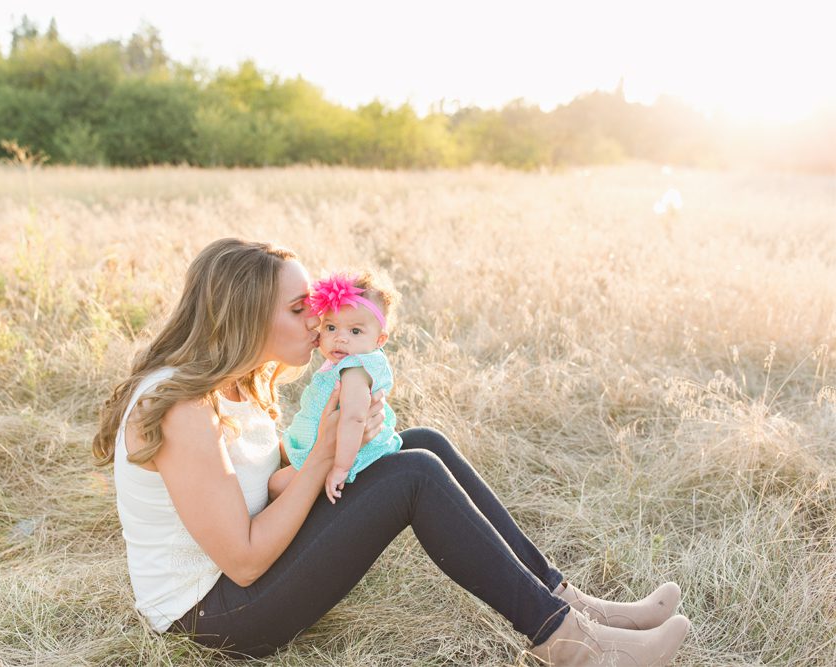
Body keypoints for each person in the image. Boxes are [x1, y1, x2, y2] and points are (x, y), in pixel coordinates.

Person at [91, 238, 691, 665]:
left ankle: (570, 604)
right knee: (413, 476)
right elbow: (245, 560)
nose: (320, 321)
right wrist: (326, 453)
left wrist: (340, 451)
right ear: (244, 315)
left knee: (417, 445)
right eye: (300, 310)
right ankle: (576, 648)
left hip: (245, 574)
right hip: (216, 617)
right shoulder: (182, 410)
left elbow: (269, 483)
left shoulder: (240, 384)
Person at [268, 270, 403, 504]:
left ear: (380, 340)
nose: (340, 338)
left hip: (346, 454)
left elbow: (354, 419)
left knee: (276, 487)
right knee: (278, 456)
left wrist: (340, 468)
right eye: (331, 328)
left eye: (355, 331)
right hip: (319, 445)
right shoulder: (342, 362)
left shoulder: (355, 370)